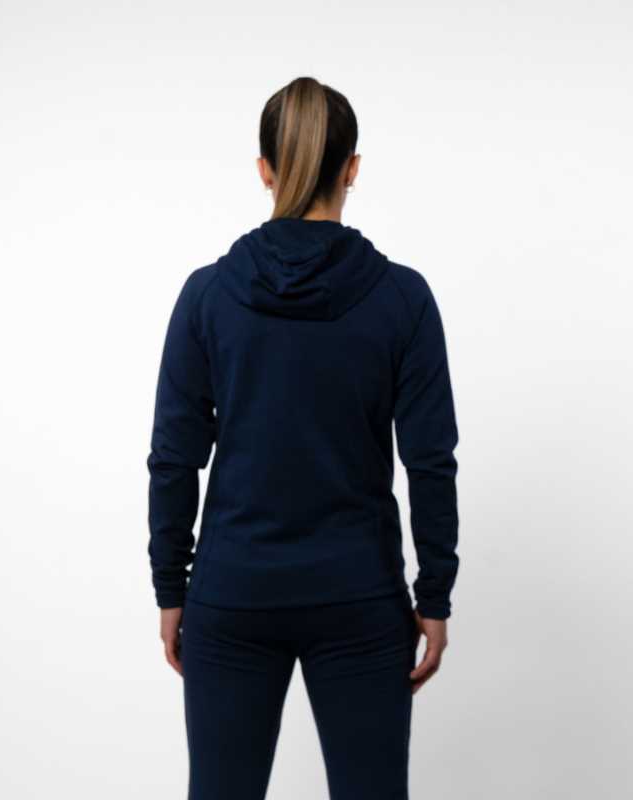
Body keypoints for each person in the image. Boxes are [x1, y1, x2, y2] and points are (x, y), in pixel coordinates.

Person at [146, 76, 460, 800]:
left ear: (264, 170)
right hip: (360, 594)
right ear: (353, 168)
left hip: (233, 591)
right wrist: (434, 596)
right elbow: (430, 462)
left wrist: (171, 586)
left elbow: (174, 457)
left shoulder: (208, 295)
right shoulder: (402, 299)